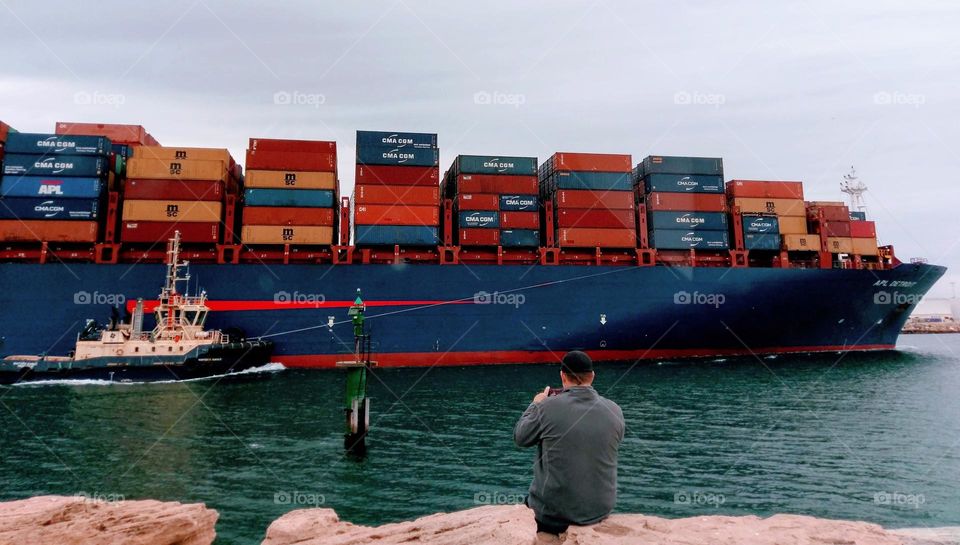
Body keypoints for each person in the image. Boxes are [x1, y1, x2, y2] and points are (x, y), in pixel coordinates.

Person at [514, 351, 625, 536]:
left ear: (562, 376)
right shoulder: (615, 409)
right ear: (593, 376)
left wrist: (535, 404)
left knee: (528, 503)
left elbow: (520, 438)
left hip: (553, 516)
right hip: (600, 511)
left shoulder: (546, 407)